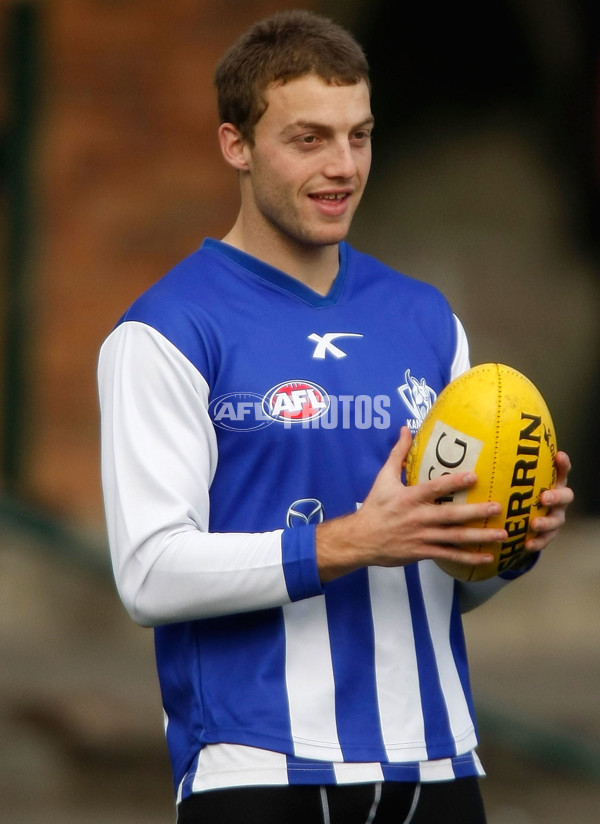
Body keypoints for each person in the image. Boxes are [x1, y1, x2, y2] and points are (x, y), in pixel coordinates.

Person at [98, 9, 573, 824]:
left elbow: (447, 581)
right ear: (234, 145)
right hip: (258, 772)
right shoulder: (167, 330)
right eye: (309, 139)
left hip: (438, 766)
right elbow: (148, 572)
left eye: (360, 136)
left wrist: (507, 544)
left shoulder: (426, 319)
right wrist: (354, 539)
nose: (343, 166)